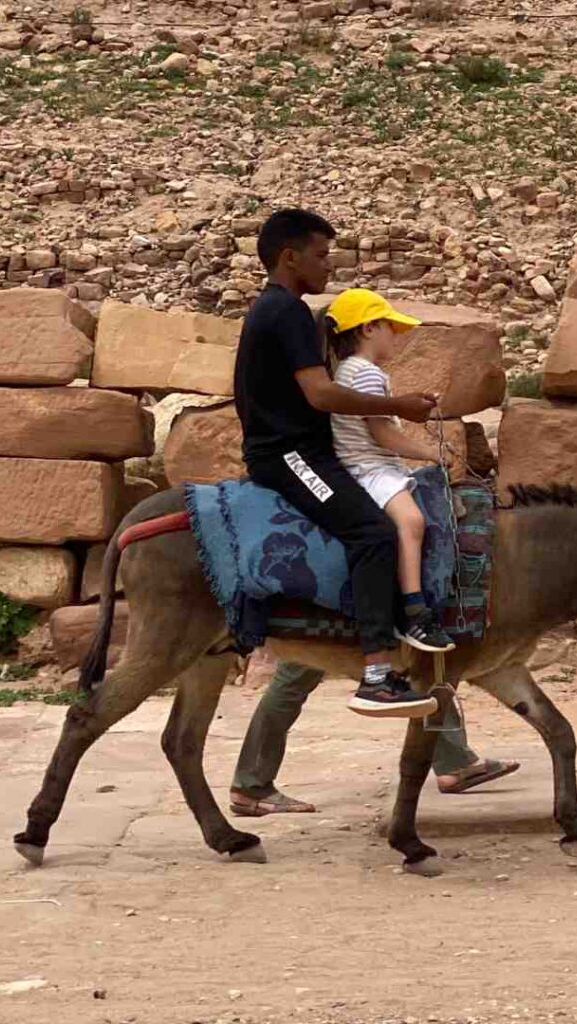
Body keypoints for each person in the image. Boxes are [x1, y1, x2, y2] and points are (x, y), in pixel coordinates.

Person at [234, 208, 437, 719]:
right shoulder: (285, 312)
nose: (329, 268)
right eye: (322, 256)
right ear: (289, 257)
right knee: (373, 533)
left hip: (305, 451)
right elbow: (321, 395)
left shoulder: (284, 311)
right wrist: (400, 406)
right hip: (287, 456)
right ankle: (375, 673)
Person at [325, 287, 455, 653]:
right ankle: (414, 611)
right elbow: (383, 436)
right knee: (411, 522)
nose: (396, 337)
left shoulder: (353, 371)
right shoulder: (365, 374)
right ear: (368, 329)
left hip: (372, 465)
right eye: (390, 328)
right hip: (368, 468)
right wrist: (432, 453)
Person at [229, 661, 521, 816]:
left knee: (415, 664)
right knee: (295, 676)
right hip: (338, 586)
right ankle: (251, 784)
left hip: (322, 581)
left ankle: (454, 761)